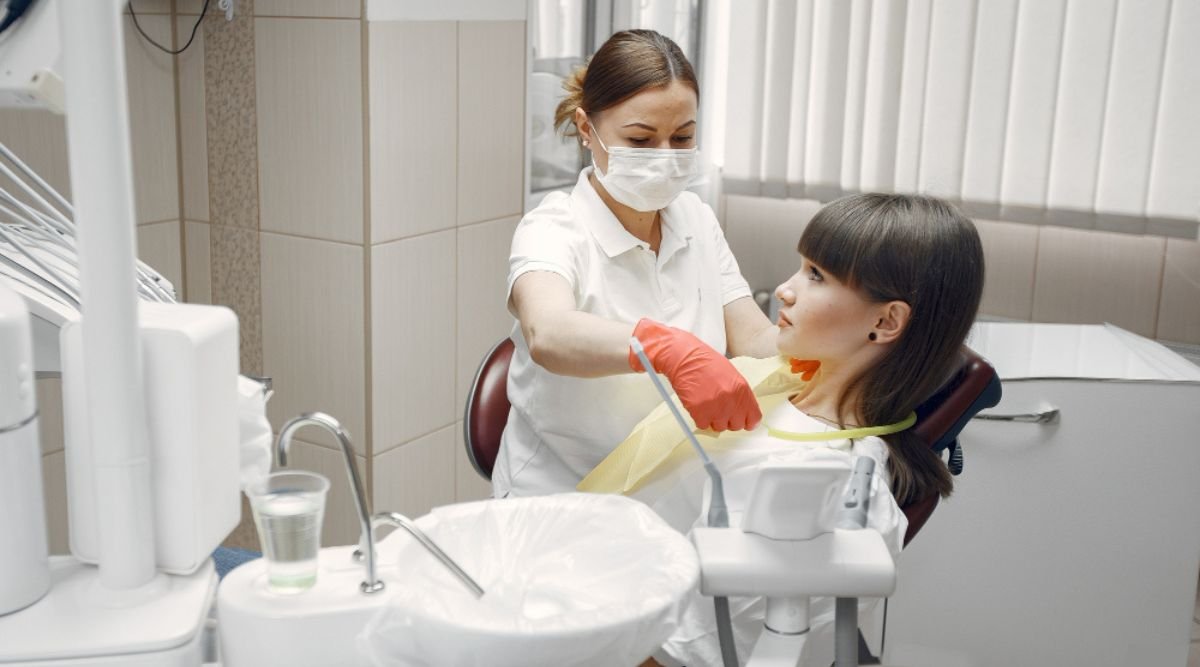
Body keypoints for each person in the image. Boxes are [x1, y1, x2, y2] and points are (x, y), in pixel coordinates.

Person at [584, 193, 985, 666]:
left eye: (816, 276)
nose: (785, 290)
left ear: (885, 320)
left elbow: (687, 652)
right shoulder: (784, 382)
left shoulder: (817, 484)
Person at [494, 30, 778, 498]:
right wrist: (664, 347)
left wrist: (824, 339)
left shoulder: (696, 219)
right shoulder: (553, 227)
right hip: (563, 495)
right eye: (641, 140)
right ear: (587, 129)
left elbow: (750, 336)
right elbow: (548, 332)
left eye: (682, 137)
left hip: (672, 486)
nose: (665, 159)